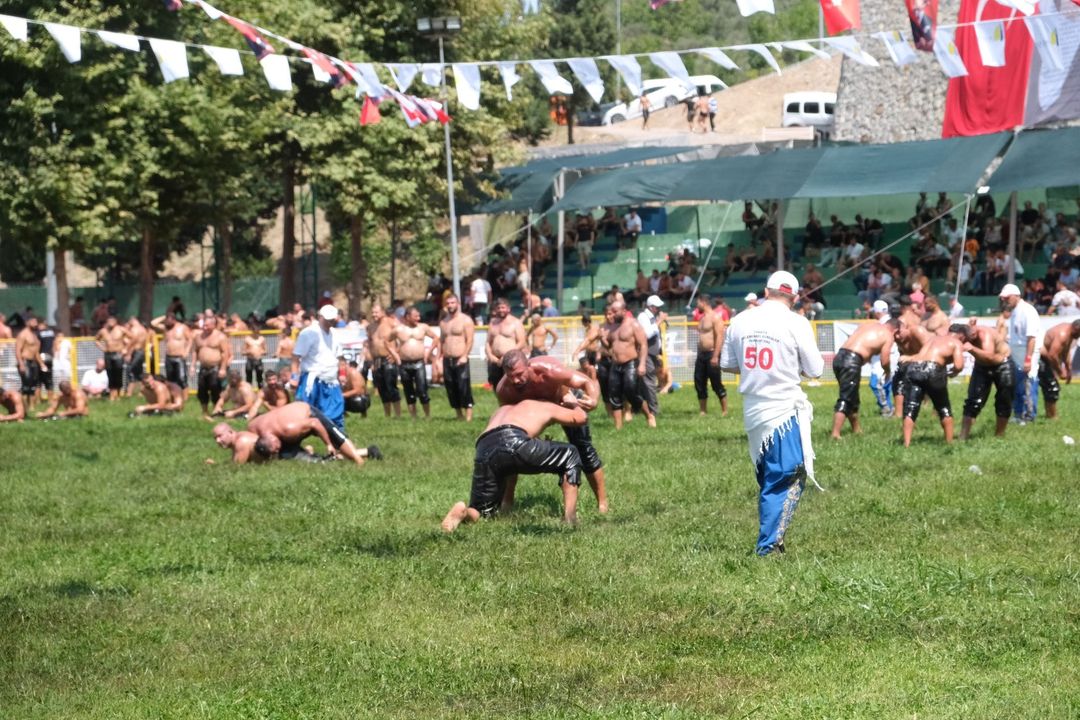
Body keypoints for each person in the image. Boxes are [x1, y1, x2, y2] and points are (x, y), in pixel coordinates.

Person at [720, 271, 824, 557]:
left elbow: (727, 363)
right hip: (783, 409)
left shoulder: (739, 320)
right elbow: (815, 370)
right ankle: (767, 547)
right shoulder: (797, 322)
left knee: (770, 475)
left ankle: (773, 540)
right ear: (794, 296)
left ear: (766, 292)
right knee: (785, 476)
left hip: (753, 409)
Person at [441, 399, 588, 533]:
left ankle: (464, 513)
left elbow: (507, 450)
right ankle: (570, 518)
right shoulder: (542, 404)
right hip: (515, 439)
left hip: (484, 447)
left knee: (483, 511)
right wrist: (574, 403)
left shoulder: (502, 410)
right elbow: (581, 418)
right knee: (570, 453)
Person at [496, 349, 608, 514]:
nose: (516, 380)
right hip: (533, 415)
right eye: (511, 376)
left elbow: (585, 381)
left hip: (563, 401)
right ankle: (507, 503)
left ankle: (602, 504)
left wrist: (593, 400)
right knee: (512, 451)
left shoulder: (549, 369)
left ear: (529, 365)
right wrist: (532, 435)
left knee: (584, 449)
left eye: (519, 374)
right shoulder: (505, 390)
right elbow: (511, 420)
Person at [245, 401, 381, 466]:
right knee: (312, 462)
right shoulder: (253, 428)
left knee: (337, 439)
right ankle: (367, 451)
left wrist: (328, 444)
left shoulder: (289, 429)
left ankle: (359, 462)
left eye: (276, 449)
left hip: (309, 414)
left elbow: (314, 423)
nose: (277, 450)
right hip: (286, 425)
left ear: (275, 441)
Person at [829, 312, 895, 439]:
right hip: (852, 361)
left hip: (839, 357)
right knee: (846, 397)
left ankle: (856, 430)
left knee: (852, 396)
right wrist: (887, 372)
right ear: (895, 329)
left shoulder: (868, 325)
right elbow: (885, 360)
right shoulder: (888, 335)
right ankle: (835, 434)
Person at [896, 323, 963, 447]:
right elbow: (959, 366)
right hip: (933, 370)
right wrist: (953, 372)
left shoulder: (932, 339)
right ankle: (949, 443)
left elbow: (921, 355)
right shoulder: (956, 342)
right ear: (961, 336)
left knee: (911, 407)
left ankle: (906, 443)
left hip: (914, 368)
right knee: (943, 407)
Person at [950, 322, 1013, 439]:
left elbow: (990, 357)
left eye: (959, 340)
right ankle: (963, 436)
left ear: (965, 336)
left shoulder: (984, 335)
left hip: (1002, 363)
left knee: (1004, 400)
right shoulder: (964, 336)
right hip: (981, 365)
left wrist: (972, 349)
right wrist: (955, 369)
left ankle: (999, 435)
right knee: (973, 401)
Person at [291, 304, 347, 429]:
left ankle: (338, 444)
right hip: (312, 380)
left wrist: (342, 374)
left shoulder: (335, 334)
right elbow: (296, 357)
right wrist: (294, 377)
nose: (329, 322)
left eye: (332, 320)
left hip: (331, 380)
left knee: (336, 415)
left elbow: (341, 357)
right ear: (320, 316)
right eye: (327, 319)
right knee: (302, 415)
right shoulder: (308, 333)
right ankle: (295, 445)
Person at [604, 300, 653, 430]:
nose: (612, 314)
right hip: (615, 364)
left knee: (631, 391)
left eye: (615, 312)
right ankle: (618, 427)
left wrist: (642, 364)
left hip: (630, 363)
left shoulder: (634, 325)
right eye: (612, 312)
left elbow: (643, 345)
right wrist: (603, 339)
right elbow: (610, 346)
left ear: (624, 311)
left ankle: (649, 415)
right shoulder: (612, 327)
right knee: (614, 395)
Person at [999, 283, 1042, 423]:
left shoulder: (1027, 311)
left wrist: (1028, 359)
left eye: (1007, 298)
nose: (1005, 301)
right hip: (1016, 353)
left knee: (1028, 383)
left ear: (1016, 296)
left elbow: (1031, 338)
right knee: (1017, 385)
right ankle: (1018, 413)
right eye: (1003, 299)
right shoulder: (1015, 311)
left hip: (1027, 352)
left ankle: (1029, 416)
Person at [394, 306, 437, 419]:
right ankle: (413, 416)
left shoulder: (423, 327)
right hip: (404, 364)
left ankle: (427, 415)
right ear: (408, 317)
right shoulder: (399, 329)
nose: (418, 318)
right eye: (415, 316)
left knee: (422, 390)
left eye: (419, 316)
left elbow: (436, 338)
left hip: (419, 363)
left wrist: (429, 352)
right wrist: (395, 355)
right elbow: (386, 341)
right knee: (409, 391)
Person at [439, 294, 475, 421]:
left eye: (452, 303)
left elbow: (470, 340)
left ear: (458, 304)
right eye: (448, 303)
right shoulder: (444, 322)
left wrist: (465, 355)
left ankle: (468, 416)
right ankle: (459, 415)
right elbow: (442, 341)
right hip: (447, 359)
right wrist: (439, 358)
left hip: (461, 358)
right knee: (451, 387)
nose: (450, 305)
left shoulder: (466, 320)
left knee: (463, 386)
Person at [1039, 319, 1080, 419]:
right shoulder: (1063, 334)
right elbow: (1052, 355)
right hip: (1040, 357)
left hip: (1045, 358)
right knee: (1052, 387)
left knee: (1050, 387)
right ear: (1077, 328)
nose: (1079, 337)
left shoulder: (1070, 332)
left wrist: (1068, 369)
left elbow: (1066, 351)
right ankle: (1052, 417)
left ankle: (1049, 415)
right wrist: (1060, 372)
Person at [693, 294, 727, 416]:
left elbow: (719, 337)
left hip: (712, 353)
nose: (697, 305)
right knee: (699, 382)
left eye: (698, 302)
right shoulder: (702, 318)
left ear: (703, 302)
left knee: (716, 383)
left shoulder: (715, 318)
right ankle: (703, 410)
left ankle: (724, 410)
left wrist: (715, 356)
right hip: (701, 355)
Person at [367, 304, 402, 418]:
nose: (374, 315)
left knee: (391, 387)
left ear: (382, 312)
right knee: (382, 389)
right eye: (372, 312)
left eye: (376, 312)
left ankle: (398, 415)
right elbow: (369, 344)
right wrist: (371, 361)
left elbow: (403, 338)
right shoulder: (370, 327)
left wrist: (396, 353)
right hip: (377, 361)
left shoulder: (391, 323)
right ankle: (387, 415)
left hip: (388, 359)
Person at [192, 313, 231, 415]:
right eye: (204, 325)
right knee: (201, 389)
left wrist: (223, 368)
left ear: (213, 325)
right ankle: (204, 411)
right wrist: (192, 366)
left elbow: (225, 353)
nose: (205, 328)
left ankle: (216, 410)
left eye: (207, 325)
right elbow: (195, 351)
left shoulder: (220, 337)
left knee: (215, 388)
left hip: (215, 367)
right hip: (203, 368)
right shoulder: (198, 337)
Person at [635, 295, 665, 425]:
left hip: (651, 354)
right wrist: (659, 322)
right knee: (649, 382)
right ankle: (653, 410)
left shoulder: (651, 318)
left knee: (646, 382)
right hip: (645, 354)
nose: (659, 309)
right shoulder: (643, 317)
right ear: (651, 307)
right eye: (657, 307)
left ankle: (642, 408)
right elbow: (646, 335)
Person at [485, 297, 526, 389]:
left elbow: (521, 342)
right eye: (498, 308)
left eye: (503, 307)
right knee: (496, 386)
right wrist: (490, 356)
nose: (500, 310)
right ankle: (501, 403)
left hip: (510, 360)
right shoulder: (492, 323)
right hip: (495, 361)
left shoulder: (516, 322)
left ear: (508, 308)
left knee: (511, 386)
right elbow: (488, 342)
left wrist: (506, 356)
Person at [151, 313, 193, 389]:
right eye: (166, 321)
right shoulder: (166, 328)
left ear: (174, 320)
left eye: (168, 321)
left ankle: (184, 398)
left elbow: (190, 339)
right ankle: (174, 398)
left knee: (182, 379)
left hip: (179, 356)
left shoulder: (182, 327)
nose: (167, 323)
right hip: (169, 356)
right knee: (170, 380)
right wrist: (164, 316)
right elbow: (153, 323)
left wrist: (186, 351)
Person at [94, 316, 130, 401]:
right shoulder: (103, 331)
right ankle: (112, 393)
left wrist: (126, 348)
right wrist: (102, 348)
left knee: (118, 372)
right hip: (108, 354)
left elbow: (132, 338)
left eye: (112, 321)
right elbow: (96, 340)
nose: (110, 323)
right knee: (110, 373)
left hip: (118, 353)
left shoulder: (121, 329)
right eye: (109, 321)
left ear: (116, 321)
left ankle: (117, 393)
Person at [15, 316, 46, 406]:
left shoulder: (34, 335)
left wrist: (41, 364)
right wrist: (21, 364)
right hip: (25, 361)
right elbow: (17, 350)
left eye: (36, 322)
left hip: (33, 362)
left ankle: (31, 405)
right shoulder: (23, 334)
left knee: (33, 385)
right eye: (33, 322)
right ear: (27, 323)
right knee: (26, 386)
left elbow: (36, 352)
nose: (35, 323)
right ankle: (22, 405)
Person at [123, 317, 149, 398]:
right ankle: (142, 392)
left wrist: (129, 354)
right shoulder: (143, 329)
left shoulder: (135, 329)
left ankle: (129, 393)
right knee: (139, 373)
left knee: (130, 371)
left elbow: (133, 342)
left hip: (136, 352)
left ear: (132, 321)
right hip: (141, 352)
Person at [573, 313, 601, 382]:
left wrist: (598, 352)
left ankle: (594, 383)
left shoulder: (595, 329)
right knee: (588, 369)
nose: (583, 325)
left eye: (583, 323)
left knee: (594, 370)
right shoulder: (587, 330)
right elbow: (586, 342)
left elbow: (591, 340)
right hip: (588, 352)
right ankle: (590, 382)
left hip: (594, 352)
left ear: (587, 322)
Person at [36, 320, 56, 404]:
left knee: (38, 380)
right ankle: (50, 400)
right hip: (49, 357)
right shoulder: (51, 332)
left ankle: (37, 400)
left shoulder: (38, 333)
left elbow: (37, 346)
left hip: (41, 357)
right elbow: (54, 345)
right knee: (49, 380)